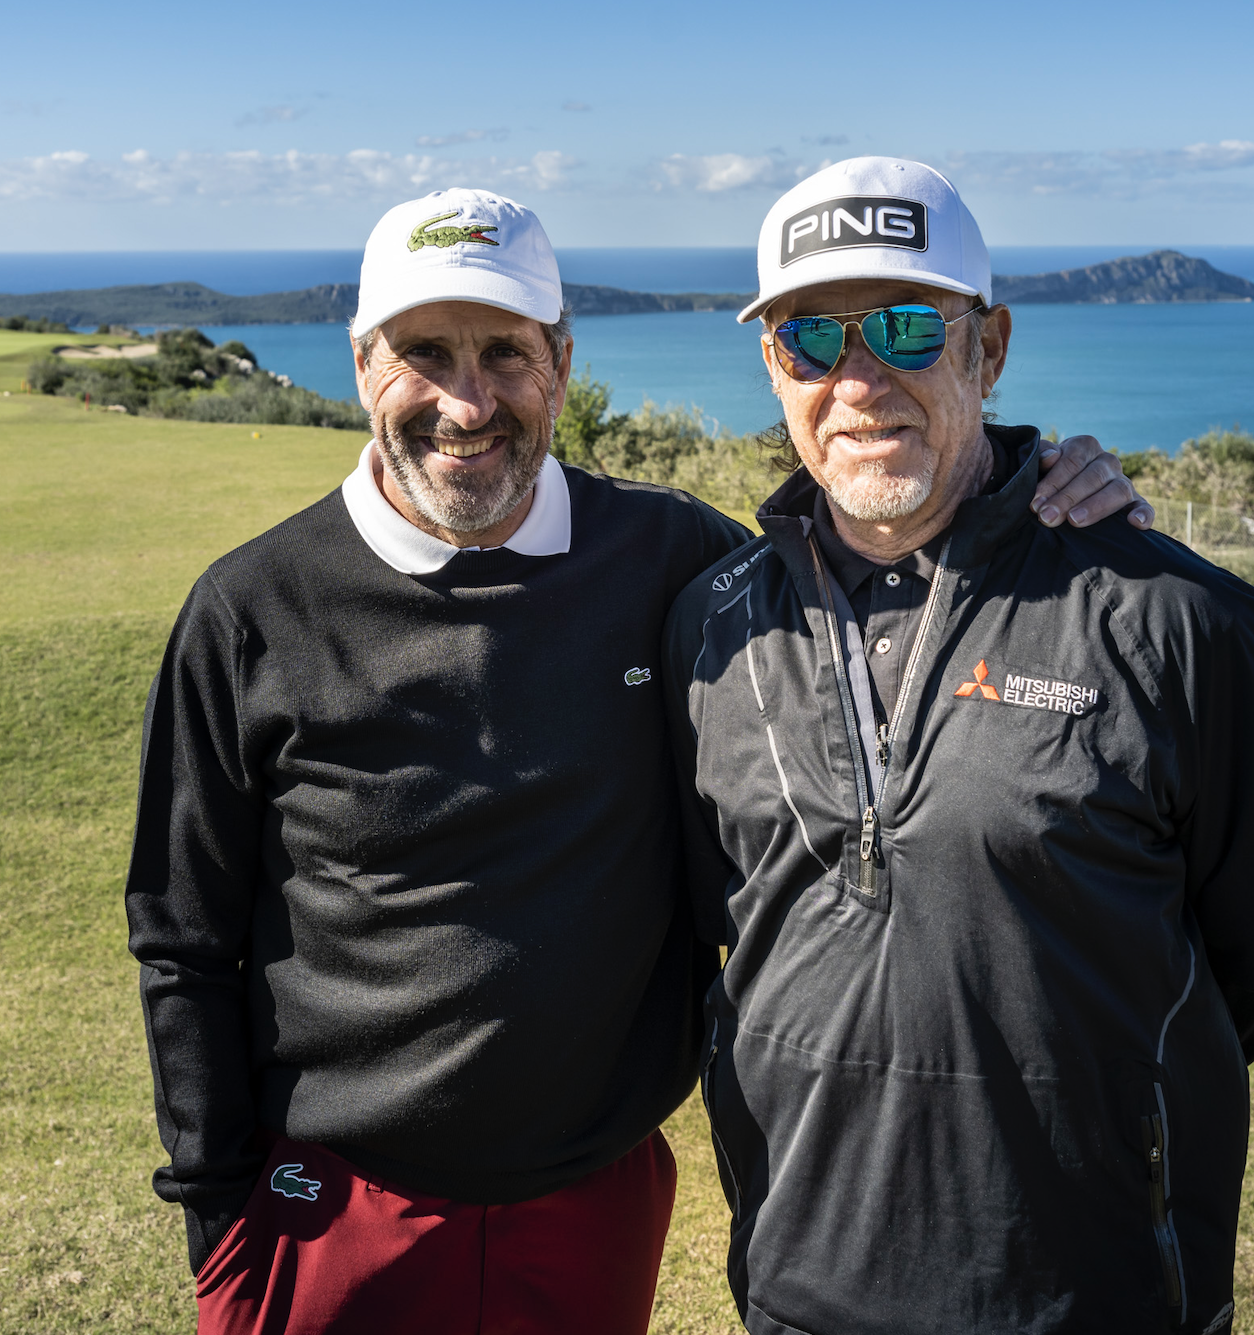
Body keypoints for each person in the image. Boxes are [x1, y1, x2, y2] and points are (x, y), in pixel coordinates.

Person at [126, 186, 1150, 1335]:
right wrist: (218, 1208)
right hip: (328, 1207)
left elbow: (887, 564)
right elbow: (183, 931)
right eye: (424, 354)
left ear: (559, 364)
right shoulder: (250, 607)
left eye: (505, 353)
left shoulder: (674, 561)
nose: (466, 403)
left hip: (592, 1196)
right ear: (363, 364)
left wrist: (1053, 499)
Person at [663, 157, 1254, 1335]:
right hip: (795, 1295)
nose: (858, 380)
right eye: (811, 341)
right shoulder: (711, 624)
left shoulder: (1175, 620)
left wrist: (1083, 1073)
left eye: (904, 329)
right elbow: (726, 930)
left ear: (985, 349)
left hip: (1097, 1298)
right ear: (771, 367)